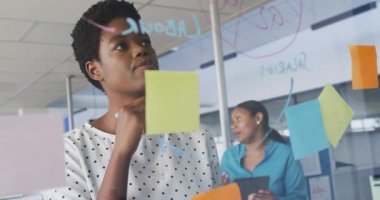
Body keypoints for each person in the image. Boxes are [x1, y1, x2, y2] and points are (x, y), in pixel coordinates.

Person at [41, 1, 220, 199]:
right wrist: (121, 153)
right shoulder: (68, 153)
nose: (140, 50)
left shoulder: (197, 136)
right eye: (121, 45)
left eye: (145, 42)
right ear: (95, 70)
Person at [220, 100, 307, 200]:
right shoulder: (228, 157)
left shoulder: (286, 154)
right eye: (232, 122)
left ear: (258, 118)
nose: (233, 126)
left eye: (238, 119)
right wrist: (221, 192)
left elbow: (300, 197)